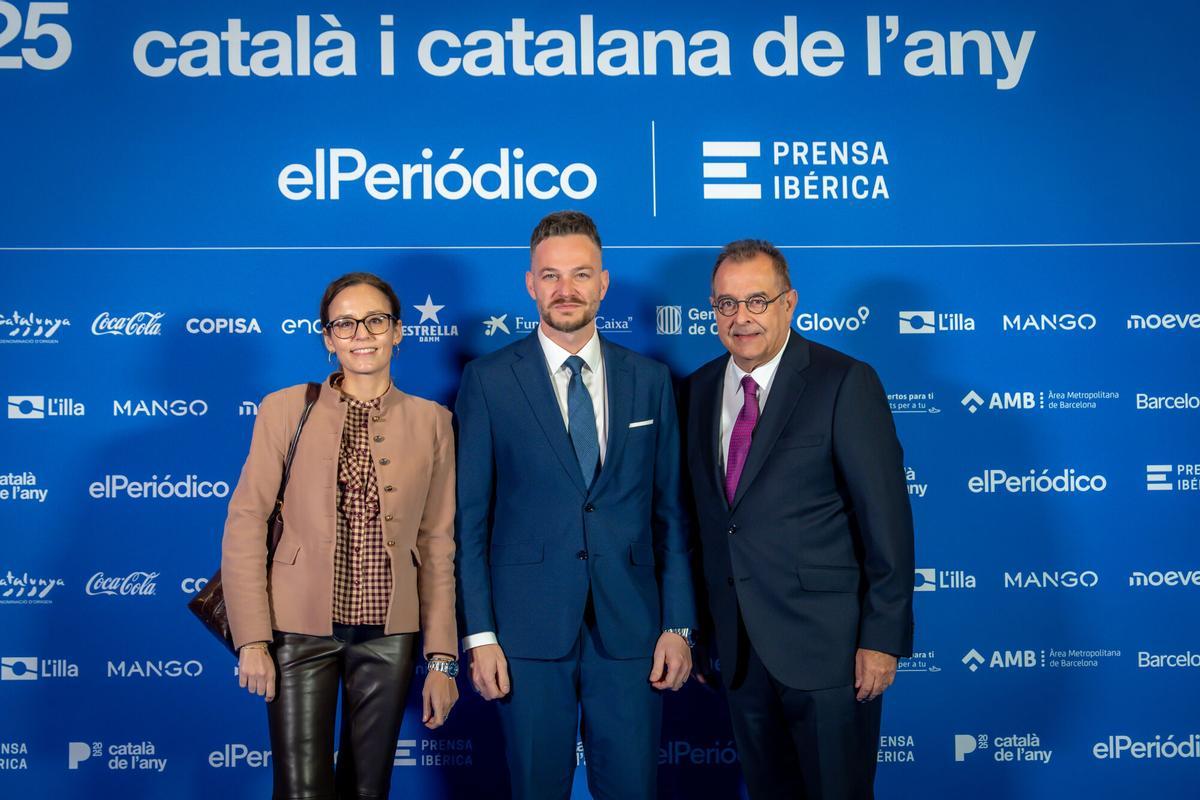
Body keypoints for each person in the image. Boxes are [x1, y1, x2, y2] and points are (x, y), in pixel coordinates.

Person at [454, 210, 697, 799]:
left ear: (603, 283)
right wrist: (480, 635)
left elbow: (671, 514)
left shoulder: (650, 380)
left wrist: (679, 623)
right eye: (551, 275)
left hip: (633, 629)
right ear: (530, 284)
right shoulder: (488, 381)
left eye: (581, 274)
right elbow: (471, 521)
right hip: (526, 631)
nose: (566, 289)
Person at [681, 240, 914, 800]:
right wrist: (700, 631)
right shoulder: (697, 390)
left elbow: (886, 521)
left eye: (757, 301)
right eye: (727, 304)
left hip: (830, 653)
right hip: (739, 653)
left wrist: (881, 639)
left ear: (789, 303)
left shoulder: (844, 381)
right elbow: (702, 525)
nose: (741, 317)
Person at [221, 272, 459, 799]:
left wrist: (442, 658)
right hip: (296, 631)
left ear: (398, 331)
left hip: (389, 636)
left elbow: (437, 544)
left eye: (375, 321)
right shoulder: (285, 409)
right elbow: (247, 521)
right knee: (300, 791)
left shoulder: (434, 422)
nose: (361, 335)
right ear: (328, 338)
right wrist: (252, 639)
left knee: (368, 791)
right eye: (345, 324)